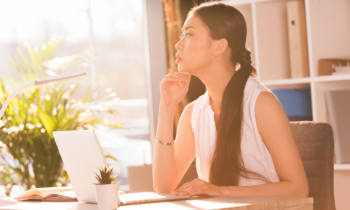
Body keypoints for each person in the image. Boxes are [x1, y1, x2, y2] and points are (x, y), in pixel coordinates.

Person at [152, 2, 309, 197]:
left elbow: (299, 189)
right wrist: (166, 106)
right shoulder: (193, 113)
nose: (178, 44)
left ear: (220, 46)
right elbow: (163, 186)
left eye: (189, 34)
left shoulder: (261, 104)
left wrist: (220, 192)